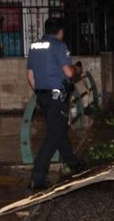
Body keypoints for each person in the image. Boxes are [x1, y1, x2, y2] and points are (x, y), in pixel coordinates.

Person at [26, 17, 85, 190]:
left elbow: (30, 76)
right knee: (53, 135)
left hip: (42, 96)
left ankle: (74, 163)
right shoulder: (59, 46)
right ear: (60, 31)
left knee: (57, 130)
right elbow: (68, 72)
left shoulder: (34, 46)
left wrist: (40, 92)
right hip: (57, 96)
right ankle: (37, 177)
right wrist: (77, 70)